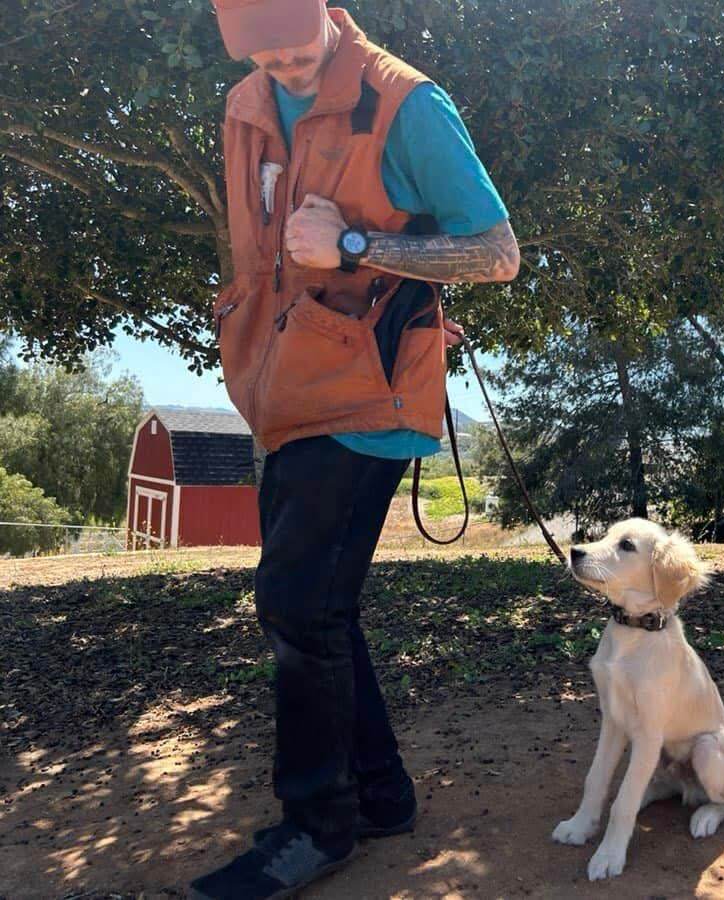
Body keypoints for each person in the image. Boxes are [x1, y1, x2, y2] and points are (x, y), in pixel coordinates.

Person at [191, 2, 518, 897]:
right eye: (267, 58)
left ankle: (317, 825)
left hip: (369, 388)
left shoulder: (408, 106)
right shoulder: (245, 104)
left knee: (296, 604)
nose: (288, 69)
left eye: (299, 50)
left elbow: (497, 254)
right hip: (282, 385)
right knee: (317, 607)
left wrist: (354, 243)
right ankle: (379, 796)